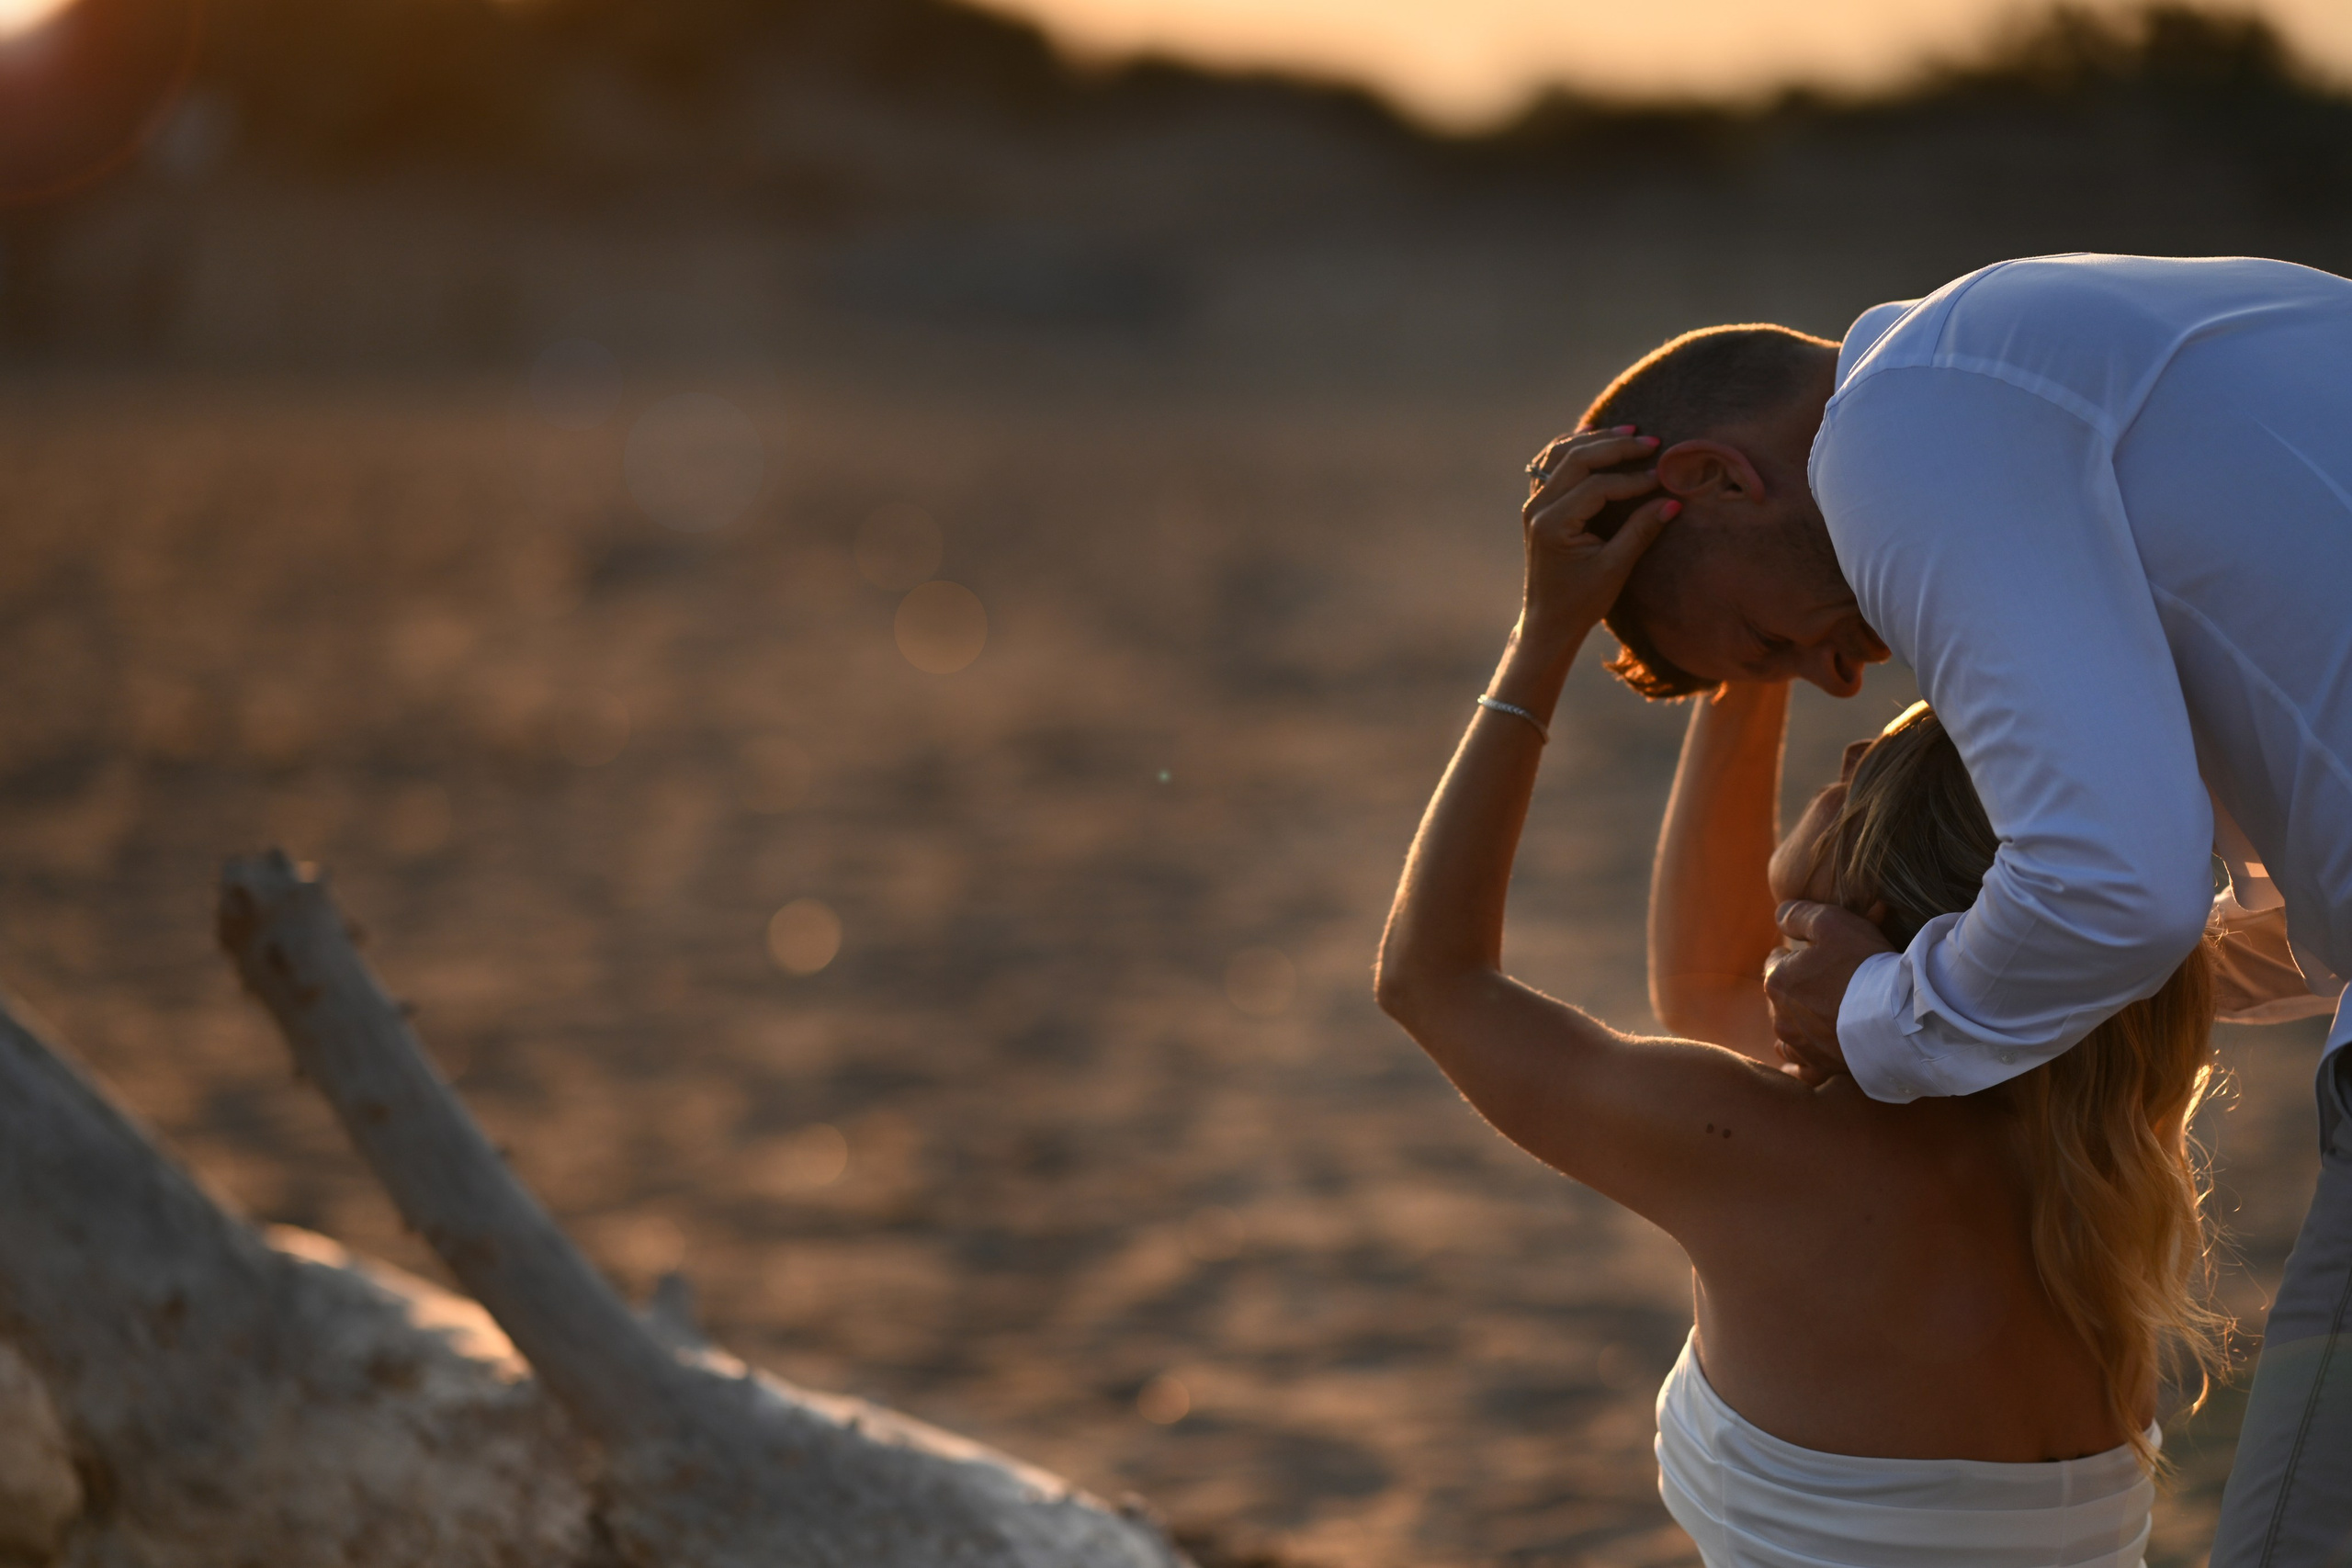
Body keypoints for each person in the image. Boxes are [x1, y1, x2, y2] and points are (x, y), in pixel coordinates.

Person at [1549, 254, 2352, 1566]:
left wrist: (1882, 1012)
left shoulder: (1908, 413)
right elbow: (2209, 900)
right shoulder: (2101, 350)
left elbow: (2114, 887)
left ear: (1712, 477)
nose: (1845, 673)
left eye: (1765, 644)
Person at [1374, 429, 2225, 1564]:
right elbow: (1710, 987)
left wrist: (1545, 637)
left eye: (1867, 768)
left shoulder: (1765, 1152)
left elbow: (1431, 980)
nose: (1855, 740)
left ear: (1873, 897)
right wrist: (1749, 642)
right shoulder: (2080, 1138)